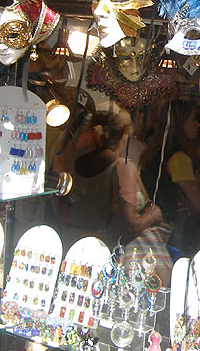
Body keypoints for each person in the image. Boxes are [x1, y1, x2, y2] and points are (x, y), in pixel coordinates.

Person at [72, 108, 172, 282]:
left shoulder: (79, 163)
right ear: (124, 134)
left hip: (79, 246)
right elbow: (130, 226)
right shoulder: (123, 168)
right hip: (113, 255)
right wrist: (153, 216)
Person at [140, 100, 200, 255]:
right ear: (180, 123)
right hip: (171, 233)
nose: (198, 125)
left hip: (150, 228)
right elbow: (198, 205)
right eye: (193, 119)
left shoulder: (154, 151)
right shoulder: (178, 158)